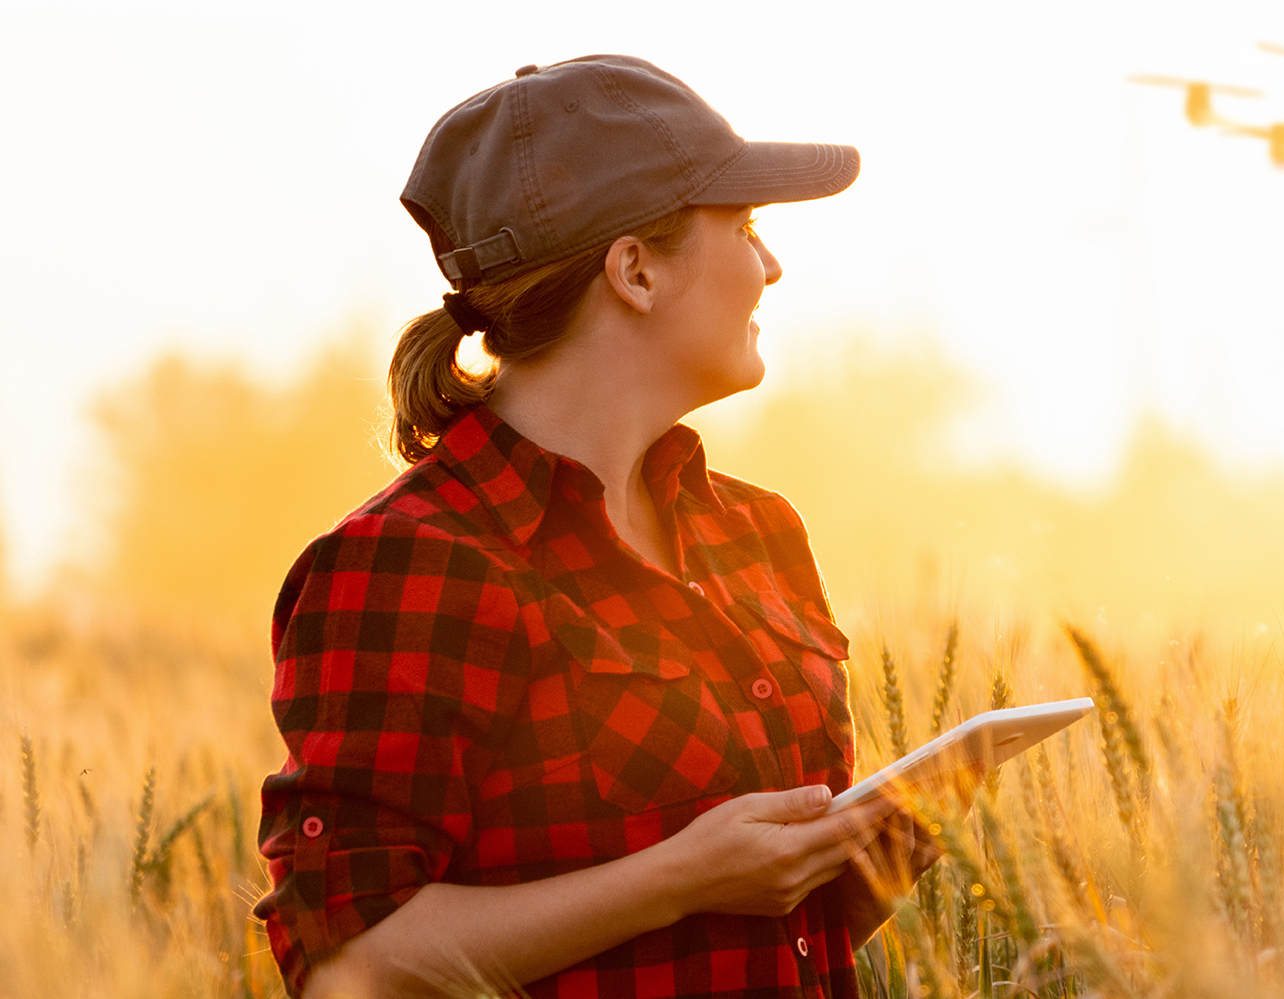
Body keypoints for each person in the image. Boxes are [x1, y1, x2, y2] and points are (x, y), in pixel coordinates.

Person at [254, 55, 935, 999]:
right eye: (742, 226)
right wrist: (677, 880)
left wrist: (854, 854)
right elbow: (348, 967)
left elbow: (772, 929)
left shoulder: (758, 532)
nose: (772, 267)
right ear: (636, 270)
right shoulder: (410, 563)